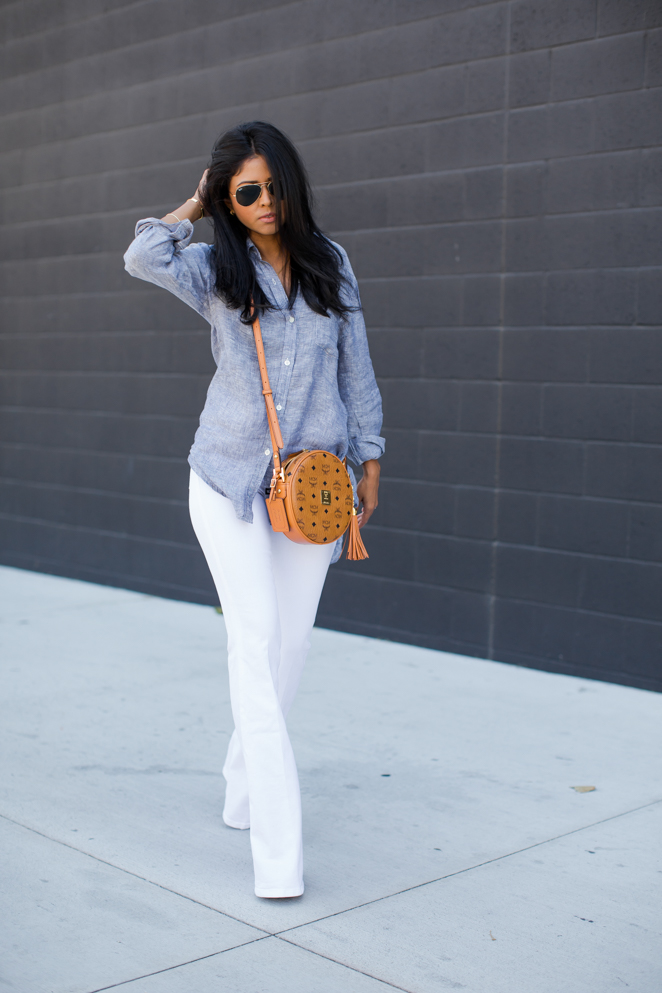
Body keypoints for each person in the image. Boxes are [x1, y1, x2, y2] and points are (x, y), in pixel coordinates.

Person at [123, 121, 384, 899]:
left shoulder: (330, 262)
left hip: (315, 489)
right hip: (229, 482)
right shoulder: (213, 268)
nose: (265, 201)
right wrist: (196, 204)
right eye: (246, 191)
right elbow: (141, 254)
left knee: (289, 649)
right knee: (256, 641)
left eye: (273, 186)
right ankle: (279, 858)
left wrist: (370, 456)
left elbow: (357, 367)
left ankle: (241, 783)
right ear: (227, 199)